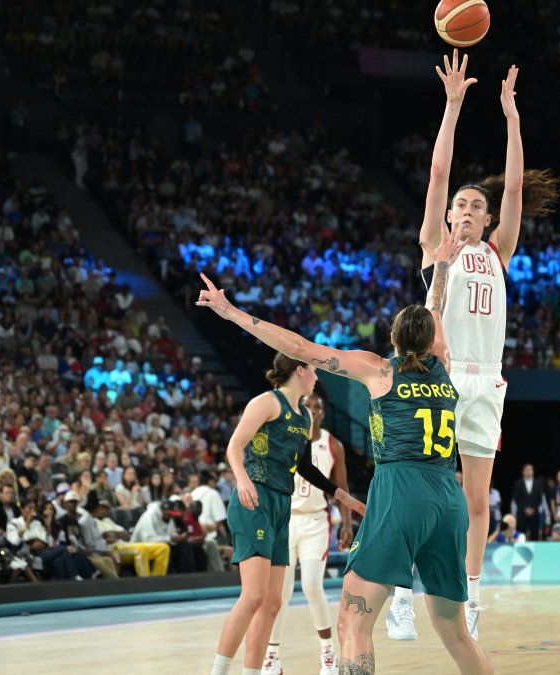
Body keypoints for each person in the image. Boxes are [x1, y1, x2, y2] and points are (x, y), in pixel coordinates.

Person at [195, 225, 493, 674]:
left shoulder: (379, 371)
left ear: (392, 340)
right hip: (447, 499)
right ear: (433, 341)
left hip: (401, 489)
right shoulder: (442, 367)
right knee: (455, 631)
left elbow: (297, 347)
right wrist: (445, 267)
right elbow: (434, 314)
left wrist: (232, 312)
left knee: (353, 622)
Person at [411, 48, 560, 641]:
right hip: (440, 376)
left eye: (479, 205)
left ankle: (472, 595)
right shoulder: (432, 247)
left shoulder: (501, 250)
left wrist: (511, 116)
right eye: (462, 206)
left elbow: (516, 181)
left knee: (477, 502)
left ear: (487, 217)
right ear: (449, 218)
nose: (469, 209)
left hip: (487, 378)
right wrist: (452, 108)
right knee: (426, 490)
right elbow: (439, 173)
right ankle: (409, 585)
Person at [197, 345, 365, 675]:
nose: (317, 375)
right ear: (299, 370)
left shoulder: (303, 417)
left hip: (280, 504)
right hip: (254, 499)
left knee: (273, 603)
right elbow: (234, 445)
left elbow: (303, 465)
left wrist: (339, 495)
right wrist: (242, 479)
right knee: (254, 595)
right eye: (313, 369)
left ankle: (253, 672)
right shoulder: (266, 402)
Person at [263, 386, 354, 675]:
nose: (314, 412)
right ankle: (272, 657)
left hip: (316, 521)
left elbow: (342, 489)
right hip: (286, 520)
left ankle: (328, 652)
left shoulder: (333, 444)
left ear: (324, 412)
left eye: (319, 408)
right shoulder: (288, 439)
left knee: (313, 586)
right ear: (300, 409)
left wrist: (348, 524)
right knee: (281, 592)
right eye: (309, 407)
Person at [510, 463, 545, 541]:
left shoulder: (538, 484)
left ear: (533, 471)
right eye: (526, 470)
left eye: (530, 470)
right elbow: (516, 498)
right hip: (522, 512)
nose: (528, 472)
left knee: (534, 533)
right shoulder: (518, 484)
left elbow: (540, 499)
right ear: (523, 472)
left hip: (534, 512)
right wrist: (524, 509)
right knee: (521, 533)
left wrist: (533, 509)